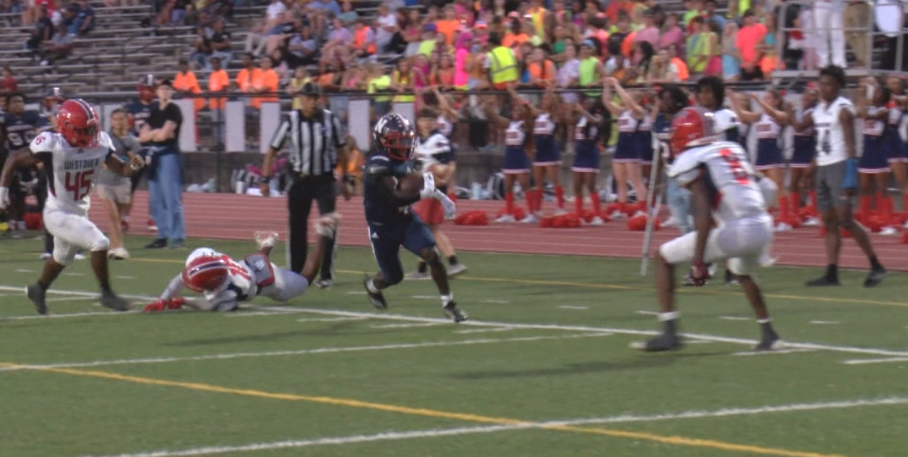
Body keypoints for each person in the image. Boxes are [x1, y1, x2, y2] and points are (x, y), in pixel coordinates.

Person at [633, 106, 782, 352]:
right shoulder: (732, 149)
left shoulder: (692, 160)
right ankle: (770, 334)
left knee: (663, 257)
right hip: (763, 225)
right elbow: (768, 188)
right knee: (741, 271)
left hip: (738, 230)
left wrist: (700, 261)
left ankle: (669, 332)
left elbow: (702, 213)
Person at [0, 99, 143, 315]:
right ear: (67, 127)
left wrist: (133, 166)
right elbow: (14, 158)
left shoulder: (100, 143)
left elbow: (121, 169)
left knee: (61, 258)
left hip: (79, 211)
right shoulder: (52, 144)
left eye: (92, 127)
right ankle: (106, 293)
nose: (91, 132)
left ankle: (38, 289)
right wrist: (3, 189)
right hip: (57, 212)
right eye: (85, 129)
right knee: (100, 242)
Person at [361, 113, 466, 322]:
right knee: (394, 276)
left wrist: (443, 198)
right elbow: (394, 198)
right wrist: (422, 194)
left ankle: (449, 303)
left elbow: (423, 182)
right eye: (398, 140)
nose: (404, 144)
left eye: (407, 139)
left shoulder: (406, 158)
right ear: (382, 140)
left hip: (405, 219)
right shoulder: (376, 164)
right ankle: (372, 285)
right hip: (382, 227)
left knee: (432, 255)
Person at [143, 215, 341, 312]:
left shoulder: (227, 292)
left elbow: (207, 306)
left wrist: (183, 301)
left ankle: (322, 233)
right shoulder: (209, 260)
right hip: (248, 265)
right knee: (257, 263)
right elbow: (182, 277)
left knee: (305, 279)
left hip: (267, 281)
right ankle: (267, 243)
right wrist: (164, 298)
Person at [261, 82, 349, 288]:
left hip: (325, 178)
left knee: (328, 226)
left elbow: (342, 150)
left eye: (316, 97)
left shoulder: (330, 120)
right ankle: (296, 272)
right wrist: (265, 179)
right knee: (297, 227)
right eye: (309, 97)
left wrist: (345, 179)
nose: (313, 101)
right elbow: (272, 149)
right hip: (300, 178)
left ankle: (325, 273)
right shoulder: (291, 120)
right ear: (301, 99)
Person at [808, 65, 886, 287]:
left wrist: (850, 175)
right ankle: (831, 273)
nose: (824, 88)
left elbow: (851, 145)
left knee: (846, 220)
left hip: (840, 165)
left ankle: (876, 265)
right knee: (829, 221)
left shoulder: (843, 108)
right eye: (822, 84)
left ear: (839, 86)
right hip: (823, 165)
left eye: (829, 84)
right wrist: (812, 167)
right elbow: (822, 141)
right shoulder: (820, 109)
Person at [407, 107, 467, 280]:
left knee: (422, 228)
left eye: (430, 120)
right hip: (424, 186)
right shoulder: (419, 141)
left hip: (431, 187)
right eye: (423, 119)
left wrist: (442, 180)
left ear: (435, 122)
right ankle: (448, 264)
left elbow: (448, 165)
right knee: (430, 228)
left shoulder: (438, 139)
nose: (426, 123)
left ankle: (429, 268)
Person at [140, 78, 186, 249]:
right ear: (157, 91)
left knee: (171, 197)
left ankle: (177, 237)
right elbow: (142, 136)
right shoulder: (154, 111)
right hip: (155, 155)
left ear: (171, 91)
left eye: (168, 88)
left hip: (168, 155)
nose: (164, 91)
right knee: (156, 199)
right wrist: (156, 133)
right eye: (162, 88)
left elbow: (163, 136)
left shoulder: (174, 110)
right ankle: (162, 234)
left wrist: (155, 134)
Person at [1, 92, 47, 239]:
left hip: (33, 157)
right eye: (14, 102)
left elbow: (41, 128)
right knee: (16, 195)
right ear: (8, 106)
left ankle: (46, 226)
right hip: (15, 160)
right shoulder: (5, 119)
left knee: (41, 192)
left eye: (20, 102)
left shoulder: (32, 115)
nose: (18, 105)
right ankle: (19, 225)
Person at [98, 108, 142, 259]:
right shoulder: (105, 139)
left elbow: (135, 165)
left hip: (122, 182)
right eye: (115, 119)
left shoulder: (133, 142)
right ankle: (119, 247)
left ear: (127, 120)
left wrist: (134, 164)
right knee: (113, 216)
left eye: (121, 119)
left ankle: (112, 247)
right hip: (104, 181)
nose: (118, 122)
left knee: (118, 217)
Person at [125, 74, 158, 233]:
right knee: (129, 186)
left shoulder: (159, 107)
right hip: (137, 150)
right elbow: (127, 128)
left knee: (154, 187)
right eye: (145, 89)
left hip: (153, 150)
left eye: (150, 89)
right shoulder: (132, 107)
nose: (147, 92)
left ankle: (153, 217)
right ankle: (125, 218)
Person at [570, 98, 606, 225]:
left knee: (590, 185)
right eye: (586, 103)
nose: (586, 105)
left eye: (590, 103)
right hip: (579, 154)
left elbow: (595, 122)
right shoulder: (580, 118)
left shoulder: (597, 116)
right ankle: (578, 216)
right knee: (577, 186)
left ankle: (597, 216)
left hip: (590, 153)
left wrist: (583, 111)